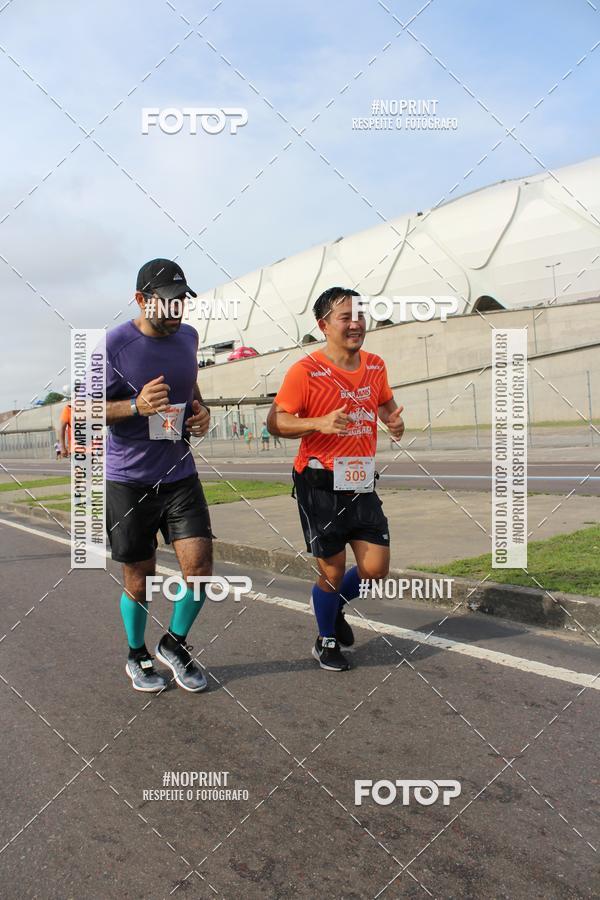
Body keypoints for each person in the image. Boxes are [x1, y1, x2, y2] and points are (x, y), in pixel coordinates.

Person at [267, 287, 404, 672]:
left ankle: (333, 606)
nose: (356, 323)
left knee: (376, 569)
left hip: (359, 479)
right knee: (330, 568)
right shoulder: (306, 371)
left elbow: (385, 404)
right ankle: (325, 640)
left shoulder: (375, 365)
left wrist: (393, 420)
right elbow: (275, 421)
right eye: (345, 317)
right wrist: (318, 423)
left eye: (359, 315)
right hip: (319, 482)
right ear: (323, 325)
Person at [105, 258, 213, 693]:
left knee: (200, 569)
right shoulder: (113, 345)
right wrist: (134, 407)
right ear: (140, 299)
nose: (175, 313)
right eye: (166, 304)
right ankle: (137, 654)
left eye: (180, 303)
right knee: (140, 577)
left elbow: (190, 386)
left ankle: (175, 643)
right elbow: (82, 413)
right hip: (129, 479)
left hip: (179, 474)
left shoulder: (189, 336)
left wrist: (201, 412)